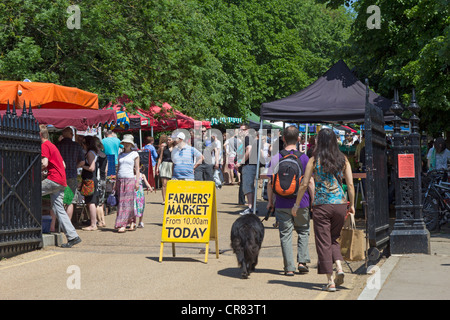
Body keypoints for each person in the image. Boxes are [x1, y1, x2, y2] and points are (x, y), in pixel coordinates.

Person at [292, 128, 355, 292]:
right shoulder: (343, 159)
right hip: (340, 205)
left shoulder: (314, 160)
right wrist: (352, 204)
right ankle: (340, 268)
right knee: (334, 239)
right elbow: (350, 185)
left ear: (319, 141)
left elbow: (304, 184)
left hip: (321, 205)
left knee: (323, 243)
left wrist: (297, 204)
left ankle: (330, 281)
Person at [267, 126, 313, 276]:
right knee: (303, 230)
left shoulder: (276, 158)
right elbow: (309, 182)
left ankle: (289, 267)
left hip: (281, 202)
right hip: (301, 202)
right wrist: (313, 200)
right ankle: (302, 261)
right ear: (299, 139)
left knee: (285, 235)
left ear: (283, 139)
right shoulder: (304, 158)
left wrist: (270, 202)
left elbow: (270, 183)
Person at [40, 125, 81, 248]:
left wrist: (39, 169)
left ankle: (26, 226)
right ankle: (73, 236)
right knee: (59, 209)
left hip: (53, 180)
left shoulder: (45, 145)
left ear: (40, 135)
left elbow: (44, 163)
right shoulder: (53, 146)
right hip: (62, 181)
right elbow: (63, 165)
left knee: (29, 193)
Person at [55, 127, 84, 220]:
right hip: (71, 175)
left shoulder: (57, 145)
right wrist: (74, 167)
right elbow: (82, 162)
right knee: (69, 201)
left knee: (57, 200)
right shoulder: (76, 146)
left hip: (59, 176)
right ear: (71, 135)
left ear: (63, 135)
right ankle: (67, 224)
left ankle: (56, 224)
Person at [115, 134, 140, 233]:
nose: (126, 144)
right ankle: (131, 221)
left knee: (127, 202)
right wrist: (115, 181)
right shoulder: (120, 154)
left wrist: (137, 181)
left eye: (128, 143)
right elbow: (118, 169)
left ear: (131, 144)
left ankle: (122, 224)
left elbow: (137, 169)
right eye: (125, 143)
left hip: (130, 178)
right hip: (120, 179)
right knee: (122, 202)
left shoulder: (135, 154)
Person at [236, 124, 258, 215]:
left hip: (249, 165)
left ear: (248, 130)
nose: (241, 131)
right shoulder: (251, 138)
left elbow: (249, 149)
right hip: (252, 165)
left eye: (243, 129)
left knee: (247, 187)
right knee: (250, 187)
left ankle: (250, 208)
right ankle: (252, 207)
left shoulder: (247, 138)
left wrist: (241, 162)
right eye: (240, 129)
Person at [80, 136, 99, 231]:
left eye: (83, 143)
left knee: (91, 202)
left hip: (90, 179)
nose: (82, 145)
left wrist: (82, 166)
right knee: (91, 201)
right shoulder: (93, 152)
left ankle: (93, 224)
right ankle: (93, 223)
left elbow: (92, 168)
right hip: (91, 179)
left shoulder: (90, 153)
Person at [95, 137, 108, 228]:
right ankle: (103, 220)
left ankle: (100, 221)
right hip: (103, 179)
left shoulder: (96, 156)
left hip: (98, 180)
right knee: (101, 202)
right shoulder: (104, 155)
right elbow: (106, 170)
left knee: (97, 203)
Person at [156, 134, 173, 204]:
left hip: (172, 165)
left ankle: (171, 199)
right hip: (164, 164)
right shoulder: (164, 148)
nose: (168, 141)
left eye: (170, 140)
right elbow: (160, 158)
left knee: (171, 183)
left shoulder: (175, 148)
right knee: (164, 184)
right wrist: (157, 168)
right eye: (167, 140)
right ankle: (164, 199)